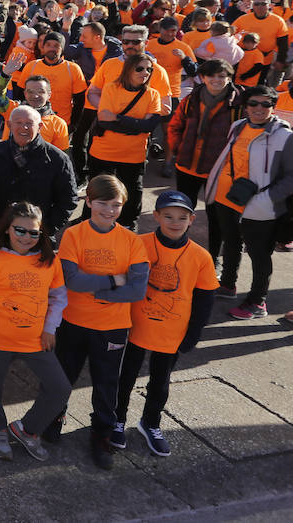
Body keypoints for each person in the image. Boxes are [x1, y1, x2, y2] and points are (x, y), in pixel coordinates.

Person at [50, 174, 149, 470]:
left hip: (112, 328)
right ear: (89, 201)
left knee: (107, 385)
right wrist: (113, 281)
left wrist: (96, 289)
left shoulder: (132, 241)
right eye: (103, 203)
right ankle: (54, 417)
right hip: (74, 322)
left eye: (116, 205)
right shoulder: (74, 234)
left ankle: (102, 434)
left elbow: (137, 289)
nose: (109, 210)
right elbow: (70, 280)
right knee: (63, 377)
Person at [112, 191, 217, 458]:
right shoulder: (138, 243)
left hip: (172, 333)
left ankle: (150, 423)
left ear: (192, 220)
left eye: (182, 217)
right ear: (156, 216)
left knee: (160, 383)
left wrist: (193, 334)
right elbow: (119, 280)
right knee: (124, 379)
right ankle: (117, 419)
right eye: (168, 216)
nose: (174, 222)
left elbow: (205, 300)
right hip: (134, 327)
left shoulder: (201, 257)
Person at [0, 201, 71, 462]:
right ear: (7, 229)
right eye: (20, 230)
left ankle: (27, 429)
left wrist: (50, 328)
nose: (26, 237)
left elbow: (59, 298)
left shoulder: (49, 262)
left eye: (33, 232)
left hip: (35, 340)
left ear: (41, 234)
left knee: (60, 388)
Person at [203, 86, 293, 320]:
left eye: (265, 104)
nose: (259, 109)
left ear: (274, 107)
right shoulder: (237, 127)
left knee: (259, 253)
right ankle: (227, 285)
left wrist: (268, 198)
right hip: (228, 196)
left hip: (261, 205)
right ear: (245, 106)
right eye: (253, 103)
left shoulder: (286, 137)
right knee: (231, 242)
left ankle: (257, 301)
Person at [167, 59, 242, 265]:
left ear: (229, 77)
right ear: (203, 77)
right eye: (212, 75)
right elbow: (175, 125)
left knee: (216, 218)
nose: (216, 80)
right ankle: (177, 251)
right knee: (181, 212)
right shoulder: (192, 98)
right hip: (187, 165)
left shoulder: (239, 104)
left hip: (218, 171)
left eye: (221, 76)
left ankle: (213, 259)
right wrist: (177, 149)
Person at [86, 53, 163, 229]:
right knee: (98, 191)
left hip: (133, 155)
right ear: (128, 69)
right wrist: (135, 127)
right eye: (140, 68)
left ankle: (128, 225)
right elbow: (104, 121)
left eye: (149, 69)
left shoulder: (153, 94)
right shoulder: (111, 88)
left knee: (133, 193)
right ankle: (93, 224)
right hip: (103, 151)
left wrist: (117, 118)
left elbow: (149, 126)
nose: (145, 72)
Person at [0, 106, 78, 241]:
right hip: (1, 232)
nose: (24, 128)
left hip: (39, 236)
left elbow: (68, 200)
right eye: (18, 123)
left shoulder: (57, 159)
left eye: (29, 123)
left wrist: (47, 228)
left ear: (40, 126)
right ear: (9, 125)